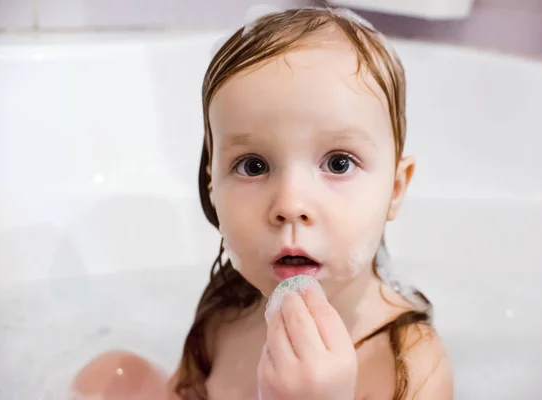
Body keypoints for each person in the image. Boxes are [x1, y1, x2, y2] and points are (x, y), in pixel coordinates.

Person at [171, 6, 453, 400]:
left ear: (395, 189)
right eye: (253, 166)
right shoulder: (225, 315)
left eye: (339, 163)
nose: (290, 204)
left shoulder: (409, 363)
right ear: (212, 185)